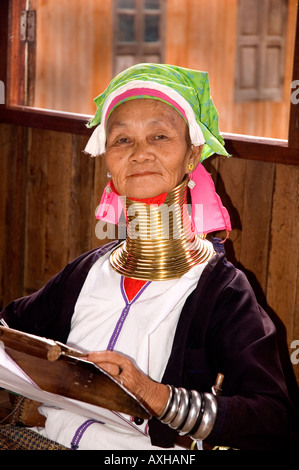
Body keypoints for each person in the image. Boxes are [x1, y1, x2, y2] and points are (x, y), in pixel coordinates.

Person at [0, 63, 291, 450]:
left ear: (193, 155)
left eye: (160, 136)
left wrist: (154, 395)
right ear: (107, 160)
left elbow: (273, 417)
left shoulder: (221, 290)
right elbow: (11, 328)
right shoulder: (88, 272)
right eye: (122, 140)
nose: (140, 154)